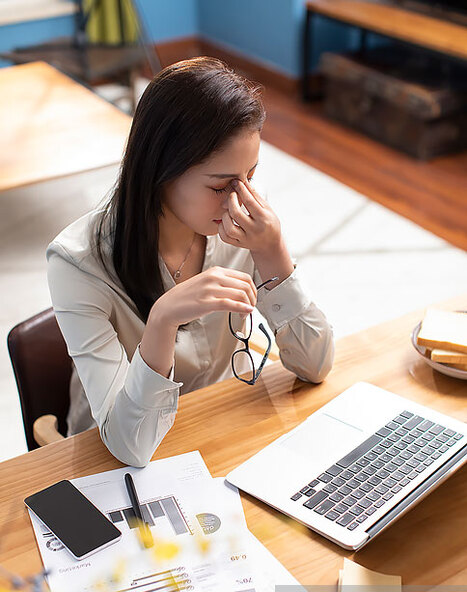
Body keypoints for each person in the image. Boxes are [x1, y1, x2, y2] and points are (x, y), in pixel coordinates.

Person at [47, 56, 334, 467]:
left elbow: (316, 366)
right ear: (160, 170)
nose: (240, 199)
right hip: (113, 461)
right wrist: (162, 321)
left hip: (215, 431)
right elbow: (130, 446)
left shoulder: (243, 226)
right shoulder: (76, 263)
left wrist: (275, 256)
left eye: (250, 176)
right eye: (221, 185)